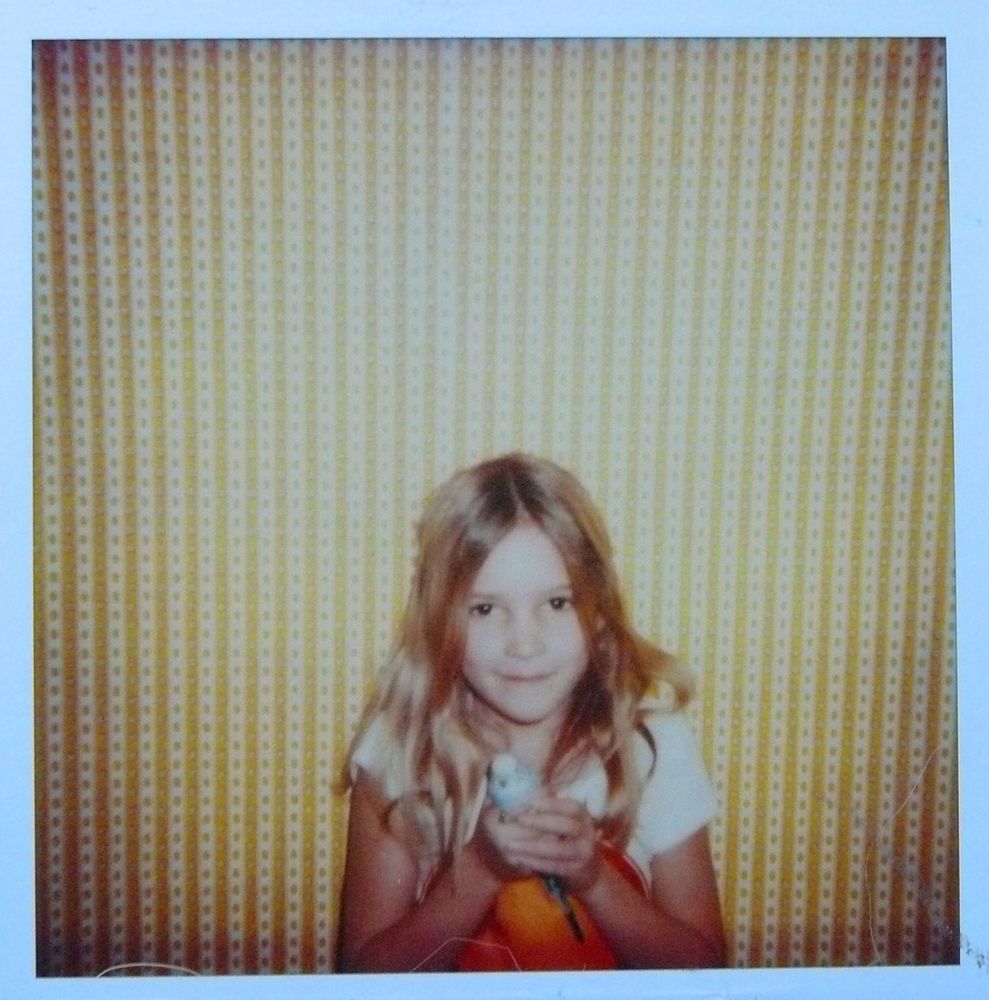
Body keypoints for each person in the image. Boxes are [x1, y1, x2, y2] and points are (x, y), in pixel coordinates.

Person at [337, 453, 726, 972]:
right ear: (440, 624)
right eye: (485, 608)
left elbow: (705, 973)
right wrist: (479, 872)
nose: (525, 645)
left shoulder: (653, 746)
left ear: (599, 610)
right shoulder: (401, 747)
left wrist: (592, 878)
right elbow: (364, 976)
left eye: (557, 603)